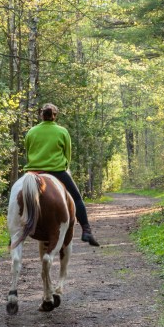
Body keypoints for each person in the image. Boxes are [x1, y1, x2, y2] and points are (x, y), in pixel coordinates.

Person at [24, 103, 100, 247]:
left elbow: (28, 153)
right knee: (77, 198)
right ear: (55, 115)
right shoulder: (62, 131)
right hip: (56, 171)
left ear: (41, 115)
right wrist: (64, 167)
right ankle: (86, 229)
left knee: (16, 196)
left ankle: (13, 233)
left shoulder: (31, 131)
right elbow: (67, 155)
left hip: (33, 171)